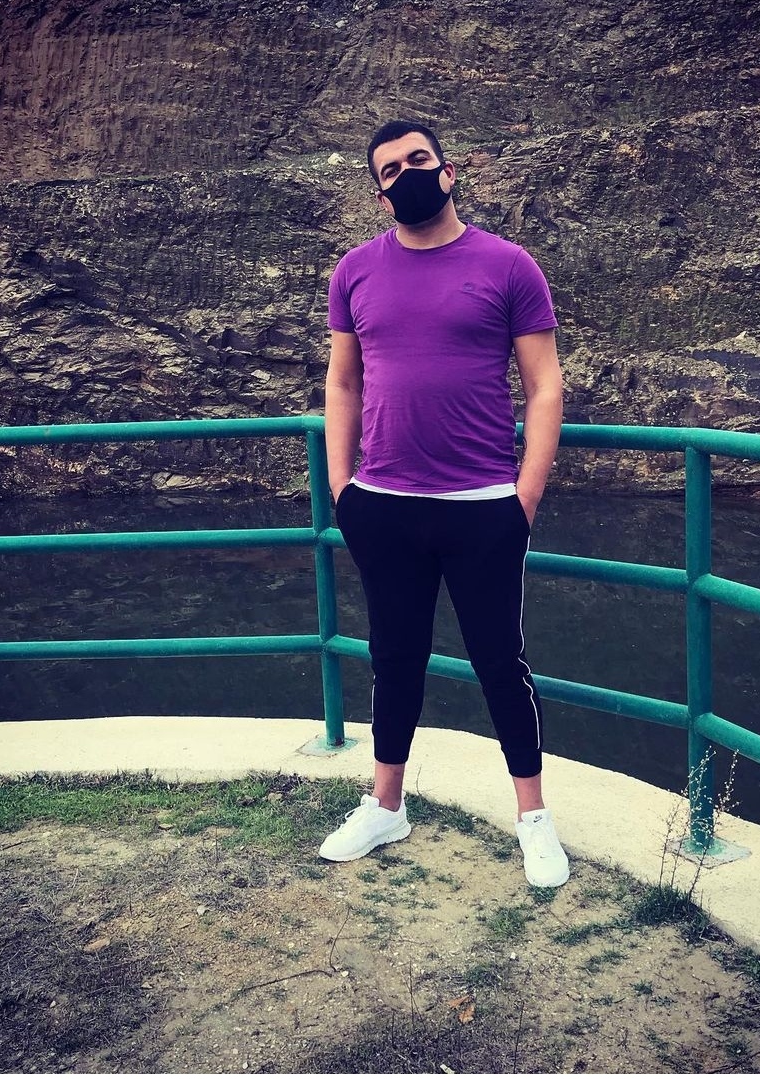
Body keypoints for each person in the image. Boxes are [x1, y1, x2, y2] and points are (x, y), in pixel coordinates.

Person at [319, 120, 568, 888]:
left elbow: (545, 385)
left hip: (483, 505)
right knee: (394, 657)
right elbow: (343, 382)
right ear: (380, 192)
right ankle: (386, 805)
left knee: (499, 660)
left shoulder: (509, 265)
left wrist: (523, 497)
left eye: (419, 160)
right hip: (384, 504)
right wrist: (342, 490)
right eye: (391, 170)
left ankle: (533, 819)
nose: (408, 174)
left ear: (449, 171)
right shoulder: (354, 271)